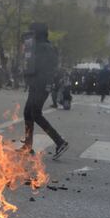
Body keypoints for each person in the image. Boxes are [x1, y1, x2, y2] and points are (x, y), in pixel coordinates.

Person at [20, 23, 69, 160]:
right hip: (36, 84)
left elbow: (48, 68)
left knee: (35, 114)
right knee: (27, 113)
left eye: (32, 32)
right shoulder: (40, 46)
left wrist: (47, 84)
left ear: (38, 33)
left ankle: (60, 142)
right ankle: (28, 146)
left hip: (41, 85)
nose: (31, 34)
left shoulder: (45, 48)